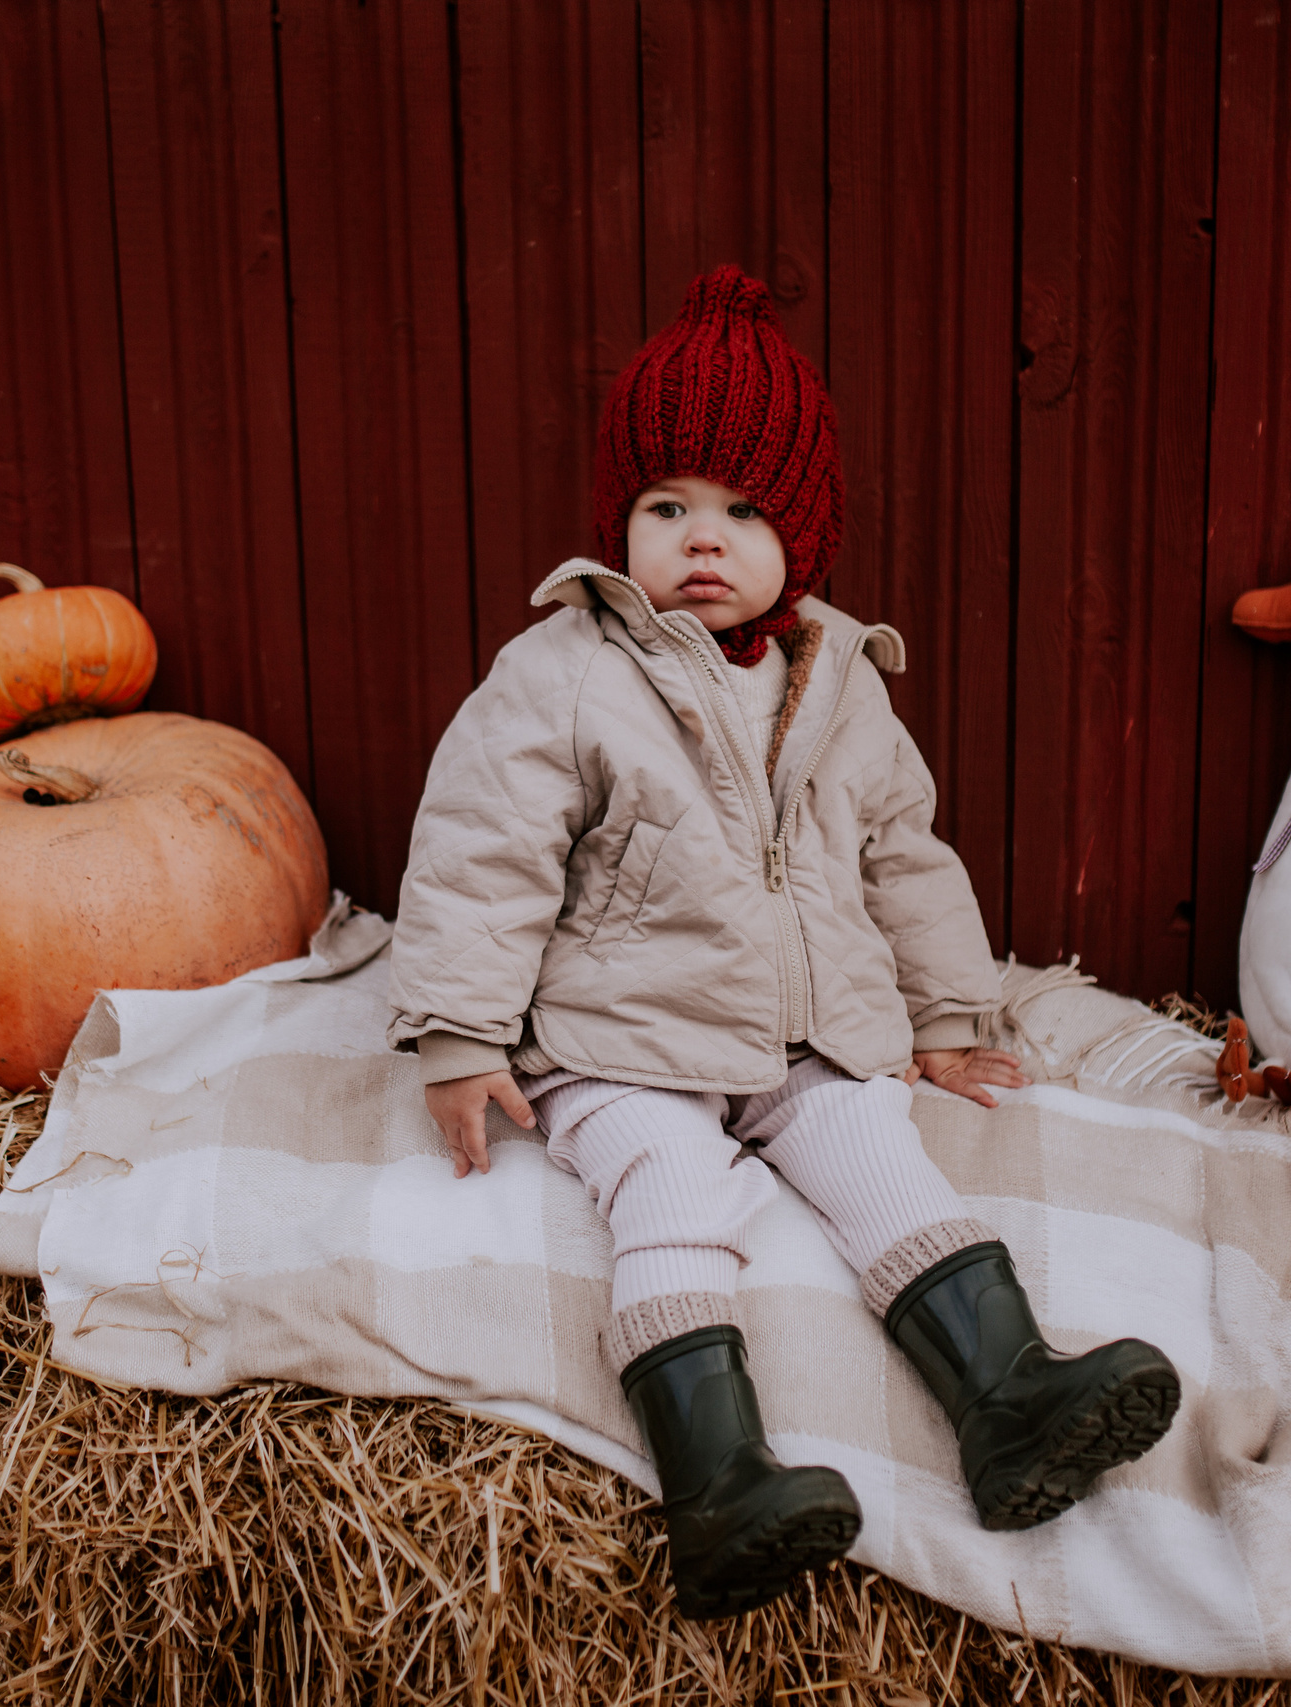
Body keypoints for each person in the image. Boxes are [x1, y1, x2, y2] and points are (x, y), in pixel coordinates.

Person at [387, 266, 1181, 1620]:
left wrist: (947, 1014)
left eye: (744, 510)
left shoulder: (839, 678)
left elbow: (903, 853)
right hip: (625, 1040)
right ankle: (722, 1480)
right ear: (618, 524)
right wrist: (460, 1033)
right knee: (671, 1192)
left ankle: (1011, 1401)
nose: (704, 538)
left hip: (807, 1029)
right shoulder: (566, 670)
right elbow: (482, 847)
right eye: (667, 506)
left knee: (880, 1155)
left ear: (800, 532)